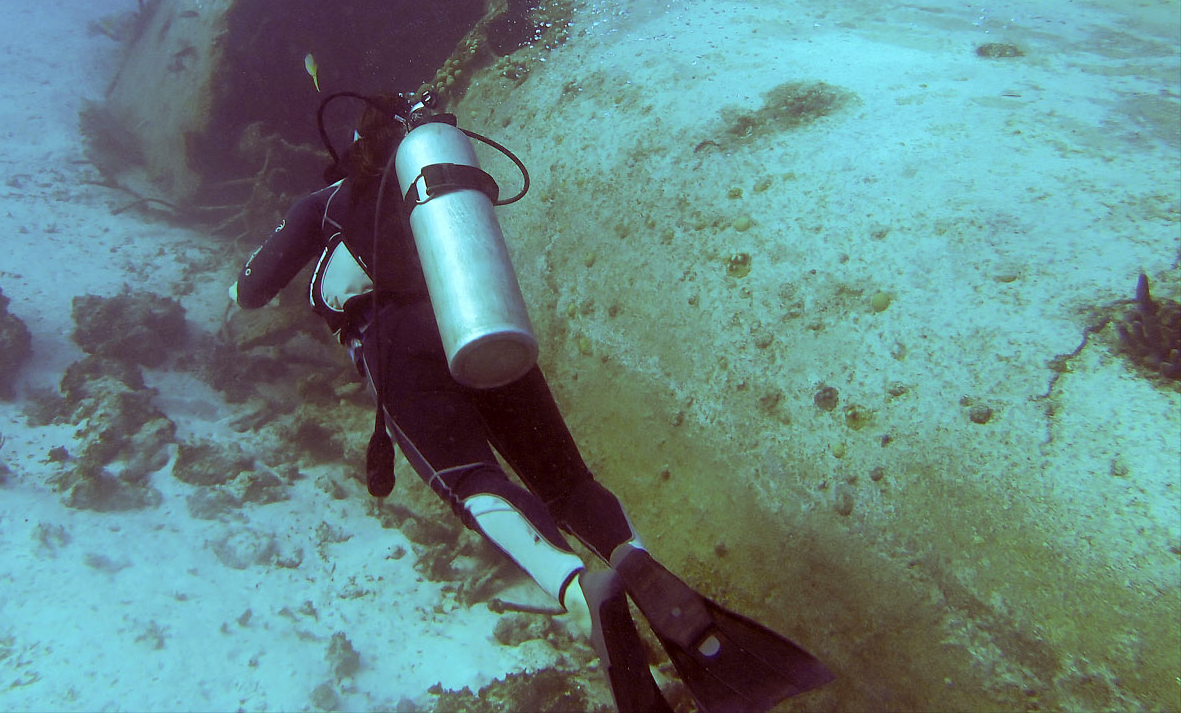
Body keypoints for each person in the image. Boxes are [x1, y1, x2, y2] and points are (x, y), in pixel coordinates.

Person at [230, 90, 832, 713]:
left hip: (395, 345)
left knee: (471, 478)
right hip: (477, 322)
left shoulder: (323, 205)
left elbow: (250, 290)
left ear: (355, 143)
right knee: (567, 481)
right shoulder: (440, 189)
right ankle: (635, 561)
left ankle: (578, 592)